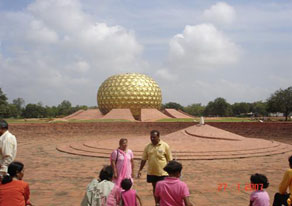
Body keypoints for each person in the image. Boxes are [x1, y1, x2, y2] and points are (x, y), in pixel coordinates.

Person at [137, 130, 172, 204]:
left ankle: (163, 203)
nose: (152, 139)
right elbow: (144, 159)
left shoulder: (165, 146)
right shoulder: (148, 146)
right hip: (152, 172)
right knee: (155, 188)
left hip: (163, 172)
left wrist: (172, 172)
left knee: (163, 189)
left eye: (154, 137)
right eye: (151, 137)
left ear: (158, 137)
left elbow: (170, 160)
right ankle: (157, 203)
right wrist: (140, 170)